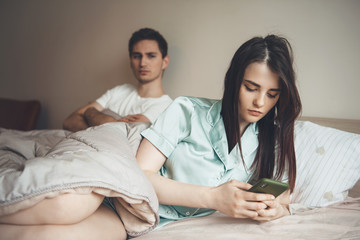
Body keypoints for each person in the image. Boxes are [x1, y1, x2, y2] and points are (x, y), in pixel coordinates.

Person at [136, 34, 302, 226]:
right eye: (250, 88)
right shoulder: (186, 111)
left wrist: (278, 210)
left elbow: (283, 196)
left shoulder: (272, 139)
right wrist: (213, 198)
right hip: (139, 211)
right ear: (233, 81)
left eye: (272, 94)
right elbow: (140, 175)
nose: (260, 102)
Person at [63, 27, 172, 132]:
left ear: (165, 62)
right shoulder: (120, 90)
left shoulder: (166, 107)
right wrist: (110, 123)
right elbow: (69, 121)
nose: (143, 63)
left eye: (151, 56)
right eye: (137, 56)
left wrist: (91, 113)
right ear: (131, 61)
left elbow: (122, 135)